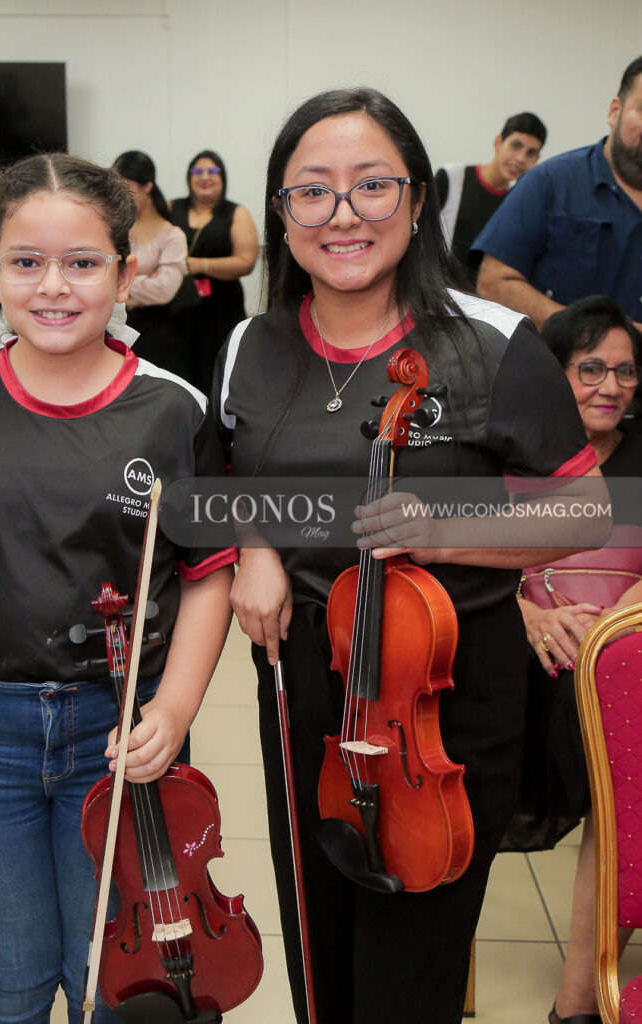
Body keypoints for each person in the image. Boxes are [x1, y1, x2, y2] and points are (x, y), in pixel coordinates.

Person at [212, 87, 605, 1024]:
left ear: (420, 198)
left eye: (372, 187)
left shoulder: (494, 345)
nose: (342, 215)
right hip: (303, 682)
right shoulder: (249, 346)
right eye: (312, 192)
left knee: (407, 978)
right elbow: (226, 475)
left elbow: (591, 510)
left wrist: (443, 531)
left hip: (442, 693)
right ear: (281, 211)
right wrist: (253, 545)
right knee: (318, 952)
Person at [0, 153, 236, 1024]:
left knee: (116, 975)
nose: (53, 287)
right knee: (10, 978)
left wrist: (175, 711)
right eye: (25, 262)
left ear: (125, 272)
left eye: (82, 262)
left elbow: (208, 577)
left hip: (117, 735)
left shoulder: (172, 410)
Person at [505, 297, 642, 1024]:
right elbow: (470, 567)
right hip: (522, 653)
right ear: (552, 376)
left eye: (624, 371)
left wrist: (614, 636)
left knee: (630, 762)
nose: (610, 386)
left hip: (622, 658)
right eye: (589, 368)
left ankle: (578, 1003)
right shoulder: (513, 452)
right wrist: (527, 616)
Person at [474, 57, 642, 329]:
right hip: (557, 368)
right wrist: (593, 335)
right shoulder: (550, 182)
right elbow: (493, 282)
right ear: (615, 111)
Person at [170, 150, 258, 393]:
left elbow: (246, 262)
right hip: (176, 307)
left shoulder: (235, 212)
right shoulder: (171, 207)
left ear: (223, 178)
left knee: (220, 373)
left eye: (212, 171)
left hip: (221, 307)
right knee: (177, 370)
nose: (204, 177)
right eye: (197, 171)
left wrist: (200, 265)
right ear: (189, 177)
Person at [435, 112, 546, 282]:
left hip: (479, 304)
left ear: (536, 160)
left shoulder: (518, 204)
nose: (520, 159)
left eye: (530, 153)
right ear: (498, 142)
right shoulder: (452, 177)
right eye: (515, 146)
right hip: (433, 294)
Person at [112, 151, 190, 378]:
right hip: (114, 327)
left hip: (155, 332)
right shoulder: (116, 229)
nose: (120, 194)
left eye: (127, 186)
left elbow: (164, 289)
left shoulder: (172, 235)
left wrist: (120, 282)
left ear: (147, 186)